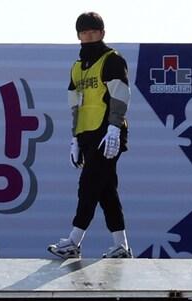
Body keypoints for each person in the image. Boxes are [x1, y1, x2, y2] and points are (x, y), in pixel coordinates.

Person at [47, 11, 133, 260]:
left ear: (102, 33)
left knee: (88, 185)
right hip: (87, 134)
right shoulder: (77, 68)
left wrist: (114, 127)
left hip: (108, 133)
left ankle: (73, 241)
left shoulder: (112, 59)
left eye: (94, 32)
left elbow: (121, 95)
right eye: (84, 33)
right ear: (78, 36)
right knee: (106, 190)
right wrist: (75, 138)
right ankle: (121, 246)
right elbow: (75, 105)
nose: (89, 36)